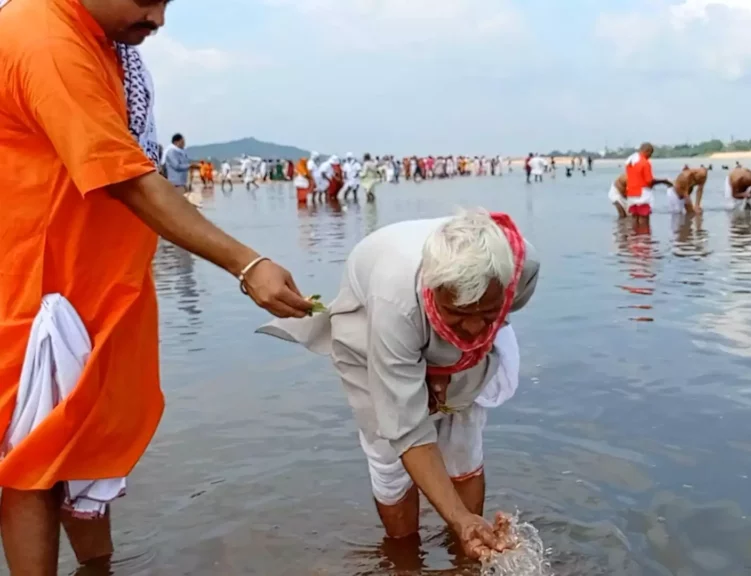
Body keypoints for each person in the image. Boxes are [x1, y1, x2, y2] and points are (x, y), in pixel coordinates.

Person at [0, 0, 313, 573]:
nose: (159, 17)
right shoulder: (45, 37)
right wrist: (246, 262)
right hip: (34, 289)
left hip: (89, 285)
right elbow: (124, 175)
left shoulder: (96, 39)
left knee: (79, 446)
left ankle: (100, 568)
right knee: (33, 461)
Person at [257, 209, 540, 559]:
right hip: (368, 329)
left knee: (462, 438)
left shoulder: (522, 267)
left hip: (434, 326)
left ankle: (468, 558)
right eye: (458, 315)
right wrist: (457, 517)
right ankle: (405, 560)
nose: (471, 328)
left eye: (486, 314)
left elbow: (479, 318)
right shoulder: (394, 299)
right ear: (433, 291)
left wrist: (447, 368)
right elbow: (407, 430)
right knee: (388, 453)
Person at [624, 143, 671, 225]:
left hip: (631, 193)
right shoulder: (645, 163)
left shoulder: (630, 162)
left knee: (635, 218)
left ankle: (634, 236)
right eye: (650, 153)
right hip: (642, 194)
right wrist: (664, 181)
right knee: (644, 218)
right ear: (647, 151)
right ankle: (644, 237)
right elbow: (649, 181)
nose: (650, 156)